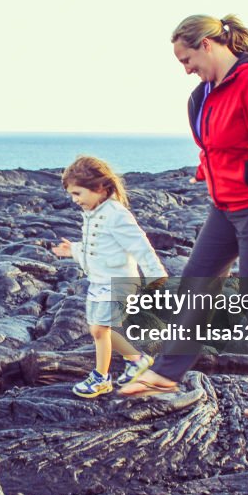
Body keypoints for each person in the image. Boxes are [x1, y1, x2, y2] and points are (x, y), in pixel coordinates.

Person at [119, 14, 248, 420]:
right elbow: (215, 146)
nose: (185, 69)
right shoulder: (205, 92)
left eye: (186, 59)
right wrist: (209, 174)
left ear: (207, 44)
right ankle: (167, 372)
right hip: (226, 207)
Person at [52, 155, 168, 398]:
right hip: (99, 281)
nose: (74, 200)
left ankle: (100, 378)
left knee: (99, 330)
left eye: (77, 193)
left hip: (119, 282)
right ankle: (137, 360)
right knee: (104, 330)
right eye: (72, 194)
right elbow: (96, 246)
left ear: (100, 188)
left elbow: (140, 246)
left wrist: (156, 274)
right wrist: (72, 250)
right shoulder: (93, 212)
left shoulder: (116, 214)